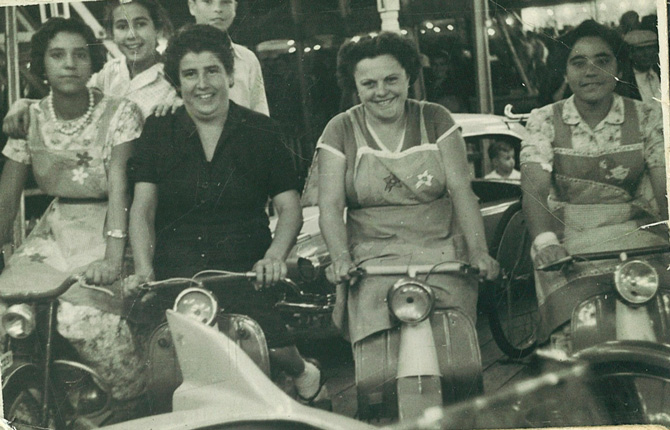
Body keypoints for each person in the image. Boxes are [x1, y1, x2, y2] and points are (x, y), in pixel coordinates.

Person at [126, 24, 325, 404]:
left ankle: (302, 370)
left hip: (245, 267)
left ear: (230, 75)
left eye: (212, 71)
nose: (202, 84)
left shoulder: (262, 131)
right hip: (177, 269)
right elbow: (143, 207)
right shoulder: (158, 130)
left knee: (271, 346)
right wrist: (143, 269)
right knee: (161, 366)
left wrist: (274, 257)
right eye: (190, 74)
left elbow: (289, 208)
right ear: (177, 82)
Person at [317, 31, 498, 378]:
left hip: (441, 252)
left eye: (391, 79)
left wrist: (478, 252)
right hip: (371, 260)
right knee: (376, 368)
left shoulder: (436, 119)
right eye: (369, 83)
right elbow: (330, 205)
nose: (381, 91)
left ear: (409, 77)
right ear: (355, 87)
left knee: (457, 357)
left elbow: (462, 192)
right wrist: (340, 258)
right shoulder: (340, 129)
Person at [0, 17, 146, 404]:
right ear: (41, 63)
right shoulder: (28, 118)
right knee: (9, 311)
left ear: (92, 61)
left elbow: (120, 185)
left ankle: (131, 401)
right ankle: (33, 403)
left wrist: (112, 259)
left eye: (80, 54)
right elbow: (6, 198)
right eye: (57, 55)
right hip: (55, 231)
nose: (69, 64)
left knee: (85, 319)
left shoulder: (120, 112)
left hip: (110, 226)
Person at [521, 20, 668, 346]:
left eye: (602, 60)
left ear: (618, 67)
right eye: (578, 62)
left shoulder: (647, 116)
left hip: (636, 234)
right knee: (573, 337)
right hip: (568, 238)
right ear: (565, 71)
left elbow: (664, 181)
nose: (591, 71)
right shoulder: (544, 119)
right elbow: (534, 186)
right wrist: (545, 241)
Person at [2, 0, 177, 137]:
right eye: (122, 27)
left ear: (158, 29)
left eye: (140, 24)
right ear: (112, 34)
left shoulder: (174, 77)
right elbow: (70, 101)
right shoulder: (110, 71)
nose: (132, 35)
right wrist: (24, 104)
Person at [187, 0, 269, 115]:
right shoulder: (176, 57)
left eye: (225, 2)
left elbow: (260, 112)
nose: (218, 9)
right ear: (192, 6)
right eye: (208, 2)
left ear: (235, 7)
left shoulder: (247, 58)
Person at [624, 28, 661, 104]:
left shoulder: (661, 72)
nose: (647, 54)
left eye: (650, 48)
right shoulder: (625, 81)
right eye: (640, 49)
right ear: (630, 53)